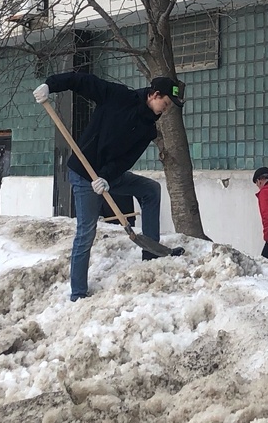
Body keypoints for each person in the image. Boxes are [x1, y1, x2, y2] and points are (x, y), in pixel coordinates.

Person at [33, 73, 185, 301]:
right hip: (84, 173)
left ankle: (151, 254)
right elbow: (81, 81)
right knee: (86, 231)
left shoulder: (148, 129)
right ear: (154, 95)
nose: (165, 110)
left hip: (107, 176)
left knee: (150, 190)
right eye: (165, 104)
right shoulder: (118, 96)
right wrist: (50, 85)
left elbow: (125, 161)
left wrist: (106, 177)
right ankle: (78, 293)